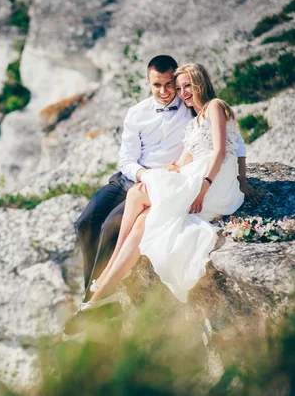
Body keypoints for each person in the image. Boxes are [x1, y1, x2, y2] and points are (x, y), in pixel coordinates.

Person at [63, 57, 260, 335]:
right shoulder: (137, 112)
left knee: (112, 226)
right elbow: (127, 160)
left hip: (171, 182)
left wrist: (241, 179)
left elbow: (229, 141)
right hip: (132, 178)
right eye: (159, 85)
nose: (168, 91)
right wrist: (147, 175)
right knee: (86, 222)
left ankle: (96, 301)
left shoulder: (193, 109)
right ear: (148, 82)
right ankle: (93, 298)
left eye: (174, 85)